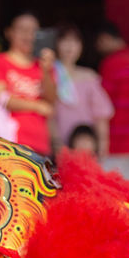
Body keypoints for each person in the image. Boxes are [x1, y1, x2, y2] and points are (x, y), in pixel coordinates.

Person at [0, 11, 55, 156]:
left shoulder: (43, 66)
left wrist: (46, 70)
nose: (29, 35)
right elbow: (1, 98)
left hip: (41, 144)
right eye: (23, 30)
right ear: (9, 32)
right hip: (10, 144)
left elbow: (51, 102)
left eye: (34, 31)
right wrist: (37, 106)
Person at [95, 21, 129, 181]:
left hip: (115, 143)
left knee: (111, 198)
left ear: (105, 39)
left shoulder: (111, 64)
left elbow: (101, 104)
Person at [50, 22, 113, 157]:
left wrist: (102, 144)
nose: (69, 46)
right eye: (64, 41)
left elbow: (100, 114)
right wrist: (56, 143)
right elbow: (49, 114)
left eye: (74, 41)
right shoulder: (50, 75)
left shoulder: (89, 77)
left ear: (81, 46)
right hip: (58, 147)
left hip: (85, 146)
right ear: (57, 45)